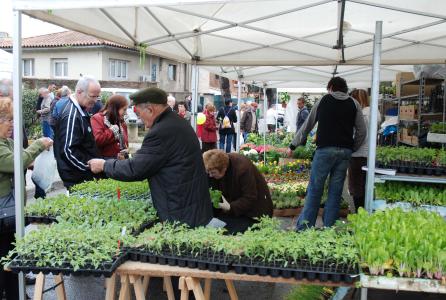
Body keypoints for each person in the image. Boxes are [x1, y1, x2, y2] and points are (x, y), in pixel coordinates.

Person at [88, 87, 213, 227]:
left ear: (150, 109)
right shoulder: (177, 121)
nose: (139, 118)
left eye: (139, 113)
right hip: (191, 202)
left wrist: (104, 165)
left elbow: (136, 169)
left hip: (180, 208)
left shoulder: (161, 131)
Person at [288, 77, 367, 230]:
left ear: (331, 87)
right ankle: (329, 227)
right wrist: (352, 148)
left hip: (324, 150)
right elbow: (362, 132)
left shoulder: (323, 101)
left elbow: (307, 125)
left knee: (315, 189)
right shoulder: (354, 103)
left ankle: (305, 227)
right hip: (344, 152)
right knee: (335, 191)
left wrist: (293, 144)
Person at [0, 97, 53, 299]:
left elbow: (20, 157)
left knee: (12, 258)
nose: (12, 124)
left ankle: (17, 294)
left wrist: (30, 162)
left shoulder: (6, 141)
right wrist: (38, 145)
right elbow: (14, 161)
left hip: (9, 213)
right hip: (3, 215)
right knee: (4, 260)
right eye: (8, 120)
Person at [203, 149, 273, 234]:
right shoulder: (215, 168)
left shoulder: (242, 168)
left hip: (254, 211)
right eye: (208, 173)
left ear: (224, 169)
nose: (210, 175)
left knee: (232, 231)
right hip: (234, 208)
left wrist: (230, 207)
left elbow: (250, 197)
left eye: (213, 173)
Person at [53, 76, 101, 189]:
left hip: (81, 175)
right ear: (79, 92)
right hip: (78, 177)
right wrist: (89, 167)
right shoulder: (71, 115)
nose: (95, 100)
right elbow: (68, 151)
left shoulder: (81, 109)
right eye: (92, 96)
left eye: (97, 96)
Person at [348, 89, 381, 212]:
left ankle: (359, 213)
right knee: (367, 185)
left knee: (356, 186)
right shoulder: (374, 112)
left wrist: (353, 148)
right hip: (370, 154)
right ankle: (368, 211)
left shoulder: (362, 114)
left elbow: (360, 134)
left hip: (358, 153)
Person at [91, 94, 129, 159]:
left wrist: (126, 151)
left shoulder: (121, 121)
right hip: (104, 163)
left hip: (120, 163)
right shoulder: (97, 119)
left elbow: (125, 142)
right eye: (124, 109)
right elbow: (97, 141)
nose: (126, 113)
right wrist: (112, 131)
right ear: (115, 108)